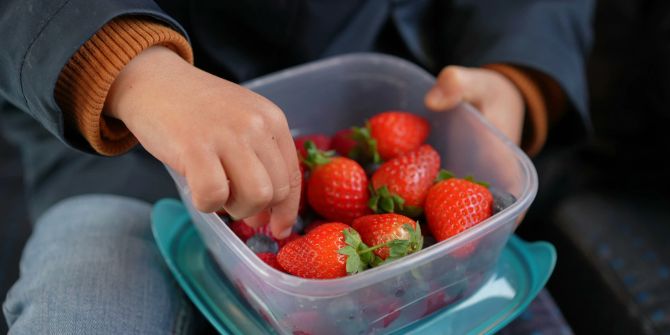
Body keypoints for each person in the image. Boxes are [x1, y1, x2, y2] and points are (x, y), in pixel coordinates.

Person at [0, 1, 593, 333]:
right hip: (122, 153)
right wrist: (130, 69)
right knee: (81, 311)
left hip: (383, 108)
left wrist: (515, 76)